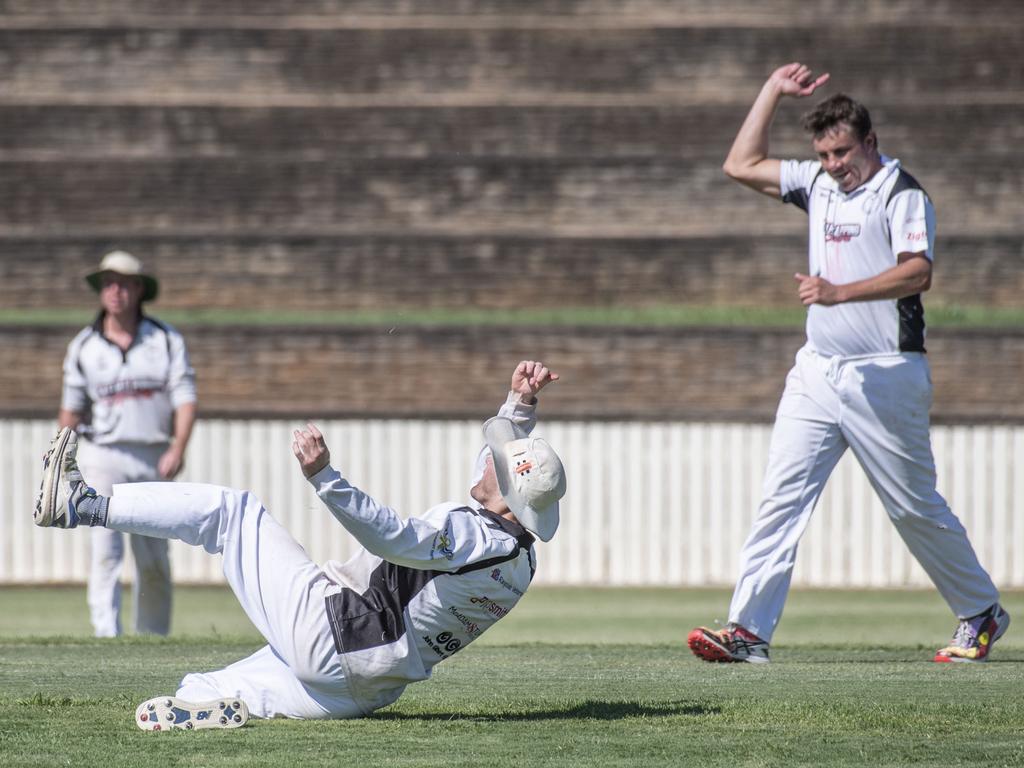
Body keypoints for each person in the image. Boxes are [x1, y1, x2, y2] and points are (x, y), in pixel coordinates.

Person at [36, 360, 566, 729]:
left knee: (232, 513)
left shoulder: (475, 534)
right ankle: (208, 709)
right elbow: (495, 475)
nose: (488, 462)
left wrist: (324, 476)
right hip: (361, 691)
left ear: (510, 501)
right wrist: (519, 403)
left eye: (499, 468)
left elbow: (393, 537)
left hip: (334, 633)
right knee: (202, 686)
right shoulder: (518, 556)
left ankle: (83, 505)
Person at [687, 63, 1008, 664]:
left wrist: (839, 292)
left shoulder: (901, 192)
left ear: (870, 142)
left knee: (912, 506)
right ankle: (748, 633)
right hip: (818, 370)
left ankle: (980, 610)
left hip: (886, 371)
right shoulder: (816, 183)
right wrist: (772, 92)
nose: (834, 163)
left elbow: (920, 271)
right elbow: (739, 165)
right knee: (779, 499)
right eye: (825, 153)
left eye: (843, 151)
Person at [59, 250, 197, 637]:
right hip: (102, 454)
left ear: (139, 289)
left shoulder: (166, 339)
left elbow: (185, 398)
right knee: (106, 550)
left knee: (153, 555)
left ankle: (153, 637)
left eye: (123, 283)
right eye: (108, 283)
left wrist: (178, 447)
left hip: (153, 455)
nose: (115, 291)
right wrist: (61, 462)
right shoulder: (84, 346)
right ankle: (107, 635)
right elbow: (70, 410)